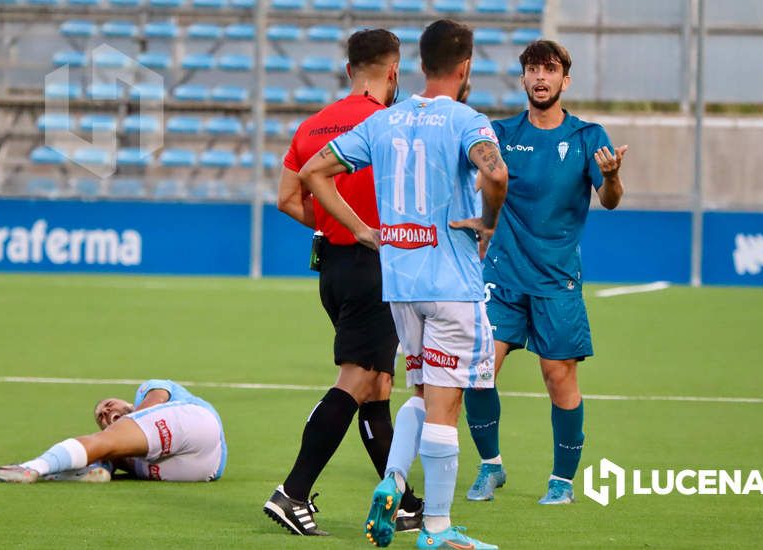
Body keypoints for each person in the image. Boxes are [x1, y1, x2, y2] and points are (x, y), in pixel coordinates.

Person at [300, 19, 508, 550]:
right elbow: (497, 175)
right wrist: (485, 222)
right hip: (452, 286)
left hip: (401, 287)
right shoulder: (467, 120)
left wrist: (360, 230)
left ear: (418, 65)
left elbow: (314, 172)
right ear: (465, 67)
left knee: (420, 394)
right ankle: (436, 529)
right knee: (447, 407)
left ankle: (393, 481)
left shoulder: (384, 122)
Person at [264, 28, 422, 537]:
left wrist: (335, 222)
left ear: (348, 67)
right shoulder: (390, 124)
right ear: (393, 72)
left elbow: (289, 199)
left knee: (376, 386)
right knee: (356, 379)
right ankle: (293, 491)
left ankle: (402, 502)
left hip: (332, 265)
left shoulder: (312, 125)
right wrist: (364, 228)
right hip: (375, 265)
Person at [462, 39, 628, 505]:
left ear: (564, 80)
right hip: (503, 275)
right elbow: (477, 180)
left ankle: (562, 480)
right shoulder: (499, 134)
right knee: (479, 371)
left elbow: (610, 201)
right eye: (533, 69)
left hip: (557, 280)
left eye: (549, 70)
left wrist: (612, 177)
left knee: (559, 376)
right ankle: (490, 466)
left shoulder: (587, 137)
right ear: (523, 79)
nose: (540, 77)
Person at [0, 379, 226, 483]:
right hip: (206, 470)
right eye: (100, 417)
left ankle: (31, 467)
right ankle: (57, 471)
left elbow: (157, 398)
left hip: (197, 423)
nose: (105, 412)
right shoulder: (127, 453)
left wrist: (111, 436)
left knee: (104, 444)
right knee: (110, 453)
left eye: (108, 404)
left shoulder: (146, 392)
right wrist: (101, 466)